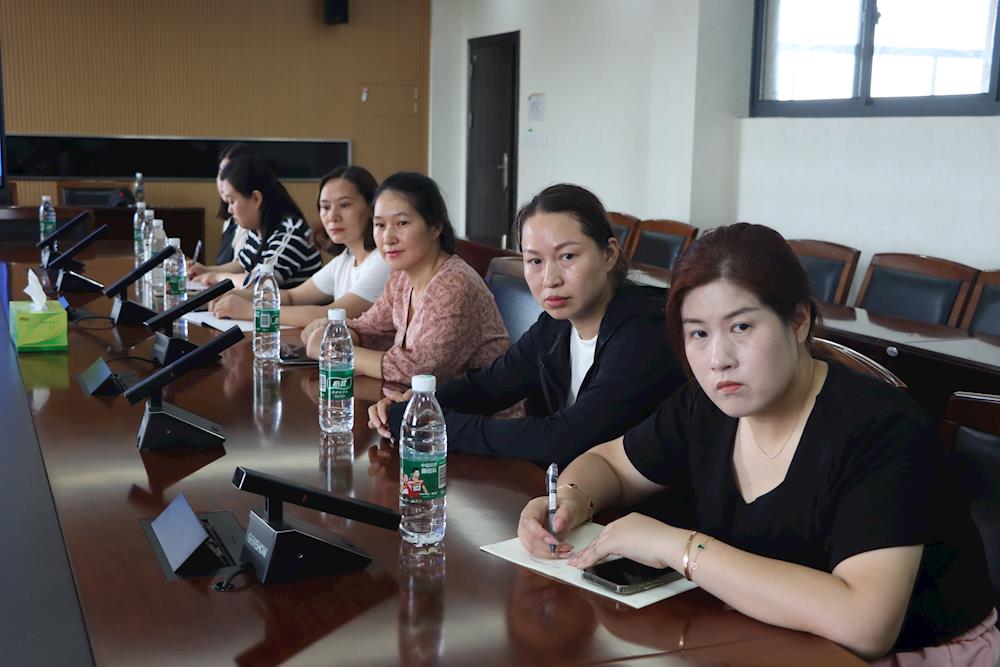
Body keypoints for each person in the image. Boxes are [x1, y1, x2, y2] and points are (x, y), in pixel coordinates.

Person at [517, 223, 999, 664]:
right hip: (770, 636)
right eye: (698, 333)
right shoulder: (707, 405)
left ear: (799, 321)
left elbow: (865, 623)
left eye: (741, 327)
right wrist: (571, 500)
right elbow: (611, 464)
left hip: (914, 653)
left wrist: (679, 548)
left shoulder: (882, 428)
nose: (718, 358)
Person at [367, 184, 685, 467]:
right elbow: (488, 386)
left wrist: (432, 425)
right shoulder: (555, 327)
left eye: (568, 256)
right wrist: (419, 403)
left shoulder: (644, 333)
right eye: (535, 261)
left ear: (609, 254)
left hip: (643, 509)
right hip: (569, 493)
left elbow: (564, 439)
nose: (550, 279)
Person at [302, 171, 508, 388]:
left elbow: (418, 371)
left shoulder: (454, 284)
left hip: (477, 407)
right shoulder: (401, 277)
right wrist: (335, 333)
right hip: (424, 401)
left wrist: (334, 351)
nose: (388, 238)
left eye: (401, 223)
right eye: (380, 225)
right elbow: (371, 328)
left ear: (435, 227)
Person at [210, 166, 389, 326]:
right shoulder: (346, 259)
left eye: (344, 205)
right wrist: (237, 295)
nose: (332, 216)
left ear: (372, 207)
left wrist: (250, 310)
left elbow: (330, 315)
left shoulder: (382, 262)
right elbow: (292, 297)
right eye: (325, 207)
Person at [188, 155, 322, 289]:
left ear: (256, 199)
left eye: (232, 201)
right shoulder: (258, 229)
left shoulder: (291, 233)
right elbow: (242, 265)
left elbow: (261, 282)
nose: (229, 209)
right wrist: (206, 270)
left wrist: (216, 277)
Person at [213, 143, 255, 265]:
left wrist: (208, 272)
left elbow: (241, 268)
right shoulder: (230, 219)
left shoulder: (250, 223)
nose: (222, 181)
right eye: (221, 173)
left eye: (229, 174)